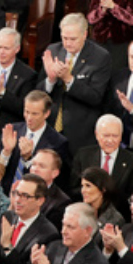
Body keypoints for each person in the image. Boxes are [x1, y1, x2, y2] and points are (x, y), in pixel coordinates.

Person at [37, 12, 112, 156]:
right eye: (64, 38)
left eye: (73, 39)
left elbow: (96, 97)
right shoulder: (53, 50)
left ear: (84, 34)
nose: (68, 43)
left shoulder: (100, 57)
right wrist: (50, 80)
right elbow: (37, 93)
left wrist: (69, 79)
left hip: (79, 135)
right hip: (50, 131)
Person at [0, 90, 70, 193]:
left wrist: (28, 160)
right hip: (5, 195)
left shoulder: (57, 142)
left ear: (46, 113)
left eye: (35, 114)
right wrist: (6, 152)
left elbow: (54, 181)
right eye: (27, 112)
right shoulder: (12, 130)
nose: (29, 118)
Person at [70, 114, 133, 218]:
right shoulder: (83, 155)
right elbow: (74, 189)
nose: (110, 140)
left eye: (115, 136)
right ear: (97, 135)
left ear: (121, 136)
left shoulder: (130, 160)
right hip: (86, 215)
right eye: (106, 136)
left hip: (120, 217)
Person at [80, 167, 125, 245]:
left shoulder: (115, 219)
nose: (83, 190)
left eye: (88, 186)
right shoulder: (79, 211)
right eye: (82, 186)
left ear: (103, 189)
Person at [29, 149, 72, 232]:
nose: (35, 169)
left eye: (42, 166)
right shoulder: (20, 190)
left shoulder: (61, 203)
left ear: (54, 173)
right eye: (33, 164)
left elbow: (48, 234)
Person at [87, 0, 133, 71]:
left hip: (121, 42)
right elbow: (90, 19)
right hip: (99, 40)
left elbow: (131, 19)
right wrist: (102, 10)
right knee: (98, 71)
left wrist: (114, 7)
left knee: (117, 72)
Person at [106, 41, 133, 147]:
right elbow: (108, 108)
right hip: (118, 146)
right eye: (131, 57)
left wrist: (132, 110)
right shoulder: (118, 77)